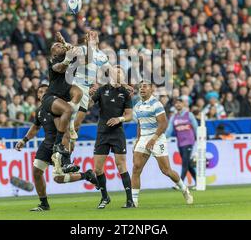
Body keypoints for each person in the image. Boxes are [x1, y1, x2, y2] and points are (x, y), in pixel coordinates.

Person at [15, 83, 98, 211]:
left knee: (58, 178)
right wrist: (24, 140)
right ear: (37, 95)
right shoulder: (39, 111)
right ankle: (44, 204)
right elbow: (35, 127)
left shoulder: (59, 106)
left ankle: (86, 175)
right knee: (36, 172)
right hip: (47, 144)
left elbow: (76, 110)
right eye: (40, 91)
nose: (42, 93)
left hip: (60, 144)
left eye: (45, 91)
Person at [131, 81, 193, 207]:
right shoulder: (137, 105)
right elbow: (139, 124)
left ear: (151, 90)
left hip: (157, 138)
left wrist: (153, 139)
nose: (142, 89)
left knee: (166, 170)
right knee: (136, 168)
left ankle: (184, 189)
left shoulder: (157, 104)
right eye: (140, 87)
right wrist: (138, 139)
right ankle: (134, 201)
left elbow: (163, 124)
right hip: (144, 138)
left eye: (145, 87)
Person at [90, 65, 134, 209]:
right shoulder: (102, 90)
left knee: (121, 165)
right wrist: (89, 94)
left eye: (121, 71)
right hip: (102, 132)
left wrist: (119, 119)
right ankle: (105, 197)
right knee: (97, 169)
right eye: (117, 70)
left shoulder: (125, 93)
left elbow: (129, 115)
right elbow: (90, 104)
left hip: (117, 133)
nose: (119, 73)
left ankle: (129, 201)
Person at [40, 42, 82, 171]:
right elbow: (60, 68)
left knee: (67, 136)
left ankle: (66, 163)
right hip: (50, 99)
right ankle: (57, 145)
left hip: (62, 101)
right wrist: (69, 57)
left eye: (61, 45)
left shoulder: (70, 57)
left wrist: (72, 47)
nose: (60, 46)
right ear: (53, 53)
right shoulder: (54, 61)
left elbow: (82, 57)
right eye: (57, 46)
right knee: (68, 109)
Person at [166, 98, 198, 189]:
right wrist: (163, 138)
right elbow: (169, 131)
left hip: (189, 142)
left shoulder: (189, 115)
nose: (178, 105)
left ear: (183, 104)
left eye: (179, 103)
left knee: (184, 163)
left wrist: (199, 139)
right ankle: (198, 182)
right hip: (180, 144)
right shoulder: (173, 117)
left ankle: (180, 184)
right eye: (176, 103)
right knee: (187, 164)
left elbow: (196, 127)